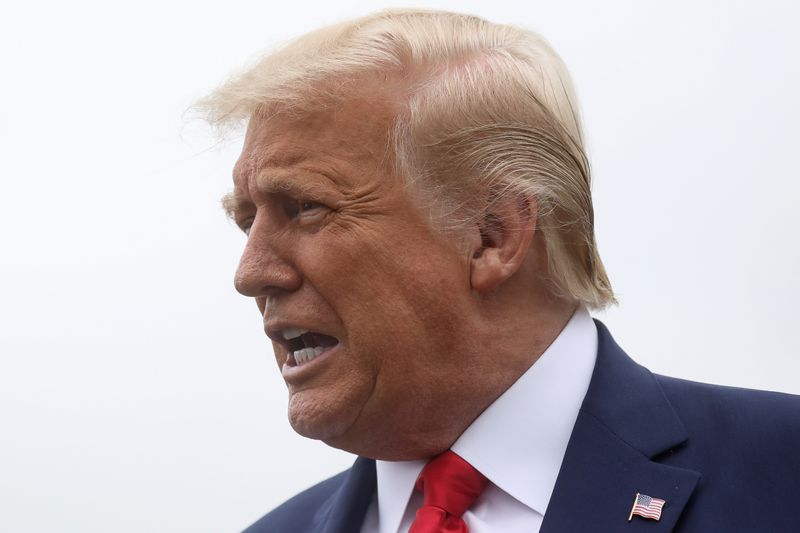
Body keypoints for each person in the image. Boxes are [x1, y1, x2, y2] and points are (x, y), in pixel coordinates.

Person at [197, 9, 800, 532]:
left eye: (305, 208)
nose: (251, 273)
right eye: (246, 220)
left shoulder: (782, 473)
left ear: (493, 234)